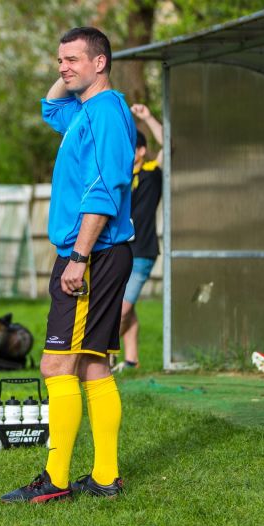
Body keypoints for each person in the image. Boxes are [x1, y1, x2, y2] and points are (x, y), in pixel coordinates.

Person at [0, 27, 135, 504]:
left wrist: (78, 256)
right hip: (93, 253)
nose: (63, 68)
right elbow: (50, 108)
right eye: (60, 60)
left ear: (101, 63)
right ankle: (104, 477)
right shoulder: (86, 110)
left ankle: (55, 479)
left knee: (57, 362)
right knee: (93, 366)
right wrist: (67, 72)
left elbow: (104, 190)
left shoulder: (105, 114)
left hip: (92, 254)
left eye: (74, 59)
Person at [113, 103, 163, 372]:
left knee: (120, 310)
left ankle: (104, 355)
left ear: (141, 151)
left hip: (142, 252)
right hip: (118, 250)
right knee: (124, 308)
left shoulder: (152, 173)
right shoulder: (118, 178)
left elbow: (169, 145)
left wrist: (147, 117)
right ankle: (131, 361)